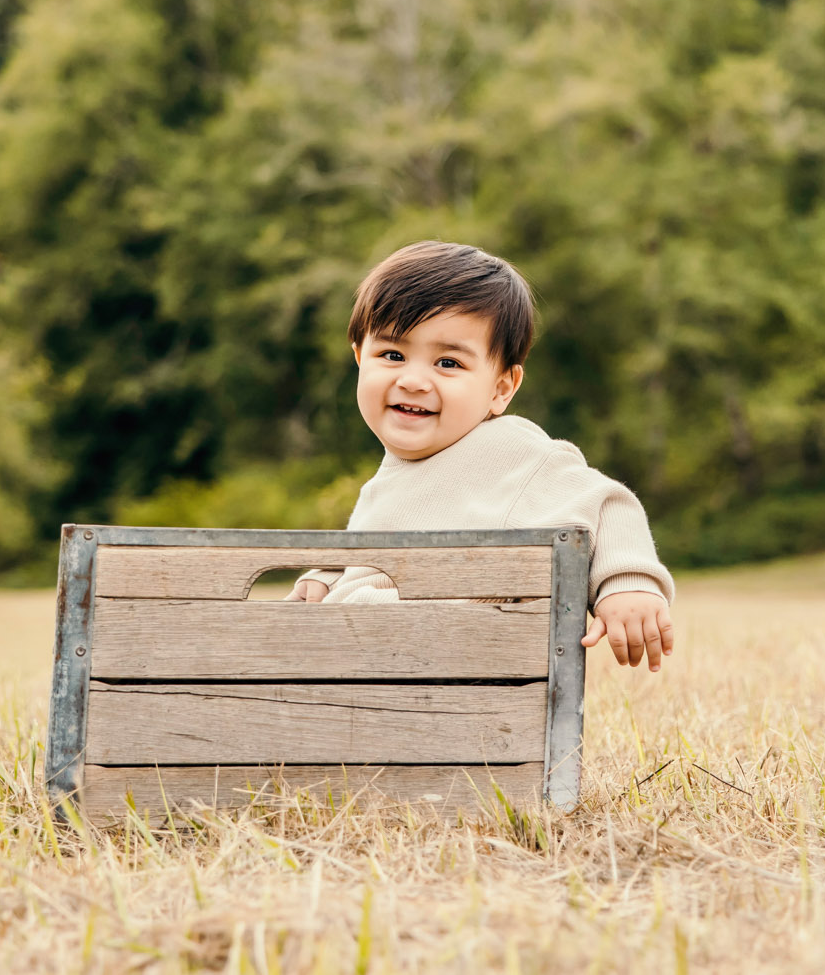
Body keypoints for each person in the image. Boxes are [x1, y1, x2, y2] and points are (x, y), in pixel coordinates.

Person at [286, 241, 676, 672]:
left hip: (446, 655)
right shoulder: (387, 479)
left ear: (501, 389)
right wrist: (328, 576)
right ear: (361, 358)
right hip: (370, 657)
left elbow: (606, 503)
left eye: (448, 363)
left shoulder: (510, 449)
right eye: (392, 355)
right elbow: (380, 558)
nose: (414, 380)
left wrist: (628, 582)